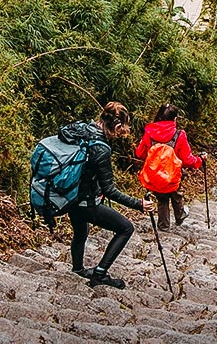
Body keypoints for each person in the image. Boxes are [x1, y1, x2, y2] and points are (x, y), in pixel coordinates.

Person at [66, 101, 154, 288]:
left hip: (69, 197)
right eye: (122, 128)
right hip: (86, 202)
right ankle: (100, 273)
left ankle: (78, 270)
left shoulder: (84, 129)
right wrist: (138, 204)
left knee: (81, 231)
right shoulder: (101, 149)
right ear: (117, 125)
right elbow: (110, 190)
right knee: (125, 228)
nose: (122, 132)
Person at [135, 103, 205, 230]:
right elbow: (188, 160)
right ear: (175, 119)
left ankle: (163, 225)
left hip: (155, 175)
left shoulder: (149, 133)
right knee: (176, 193)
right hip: (172, 175)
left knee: (162, 199)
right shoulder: (179, 135)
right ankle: (180, 215)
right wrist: (199, 161)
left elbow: (139, 153)